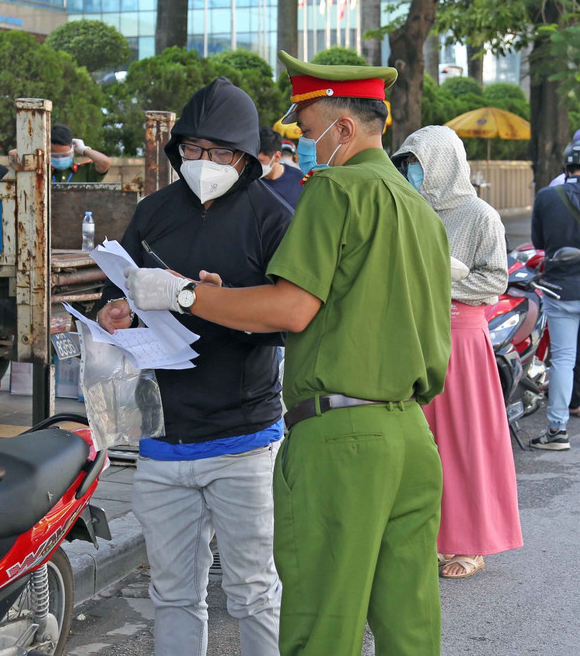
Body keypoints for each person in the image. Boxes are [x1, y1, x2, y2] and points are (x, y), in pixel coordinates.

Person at [124, 51, 452, 655]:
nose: (300, 139)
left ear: (344, 128)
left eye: (307, 125)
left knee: (321, 624)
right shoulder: (418, 209)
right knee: (409, 626)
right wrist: (224, 299)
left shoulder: (336, 190)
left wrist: (186, 294)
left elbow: (291, 309)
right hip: (410, 434)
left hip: (341, 439)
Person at [97, 77, 290, 656]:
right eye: (193, 149)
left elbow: (288, 322)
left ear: (246, 157)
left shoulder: (272, 217)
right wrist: (113, 312)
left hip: (244, 439)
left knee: (253, 591)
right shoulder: (153, 213)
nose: (204, 162)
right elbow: (119, 291)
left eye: (220, 152)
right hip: (163, 438)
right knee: (173, 593)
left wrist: (216, 299)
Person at [392, 125, 523, 579]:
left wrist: (440, 280)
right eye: (407, 164)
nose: (411, 172)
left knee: (465, 443)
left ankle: (469, 543)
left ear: (443, 164)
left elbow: (495, 279)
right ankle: (427, 537)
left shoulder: (480, 214)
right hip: (413, 334)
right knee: (419, 442)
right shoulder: (408, 210)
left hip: (461, 339)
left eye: (418, 164)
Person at [529, 139, 580, 451]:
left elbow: (538, 242)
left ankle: (557, 430)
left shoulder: (548, 197)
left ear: (565, 166)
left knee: (562, 359)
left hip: (561, 291)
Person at [9, 124, 111, 182]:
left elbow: (105, 163)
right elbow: (13, 155)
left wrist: (84, 150)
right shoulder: (40, 170)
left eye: (65, 155)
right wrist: (38, 146)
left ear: (73, 149)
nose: (60, 159)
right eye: (55, 155)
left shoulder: (85, 171)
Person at [258, 127, 305, 208]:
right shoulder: (251, 182)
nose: (256, 165)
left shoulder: (299, 179)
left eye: (260, 161)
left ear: (277, 157)